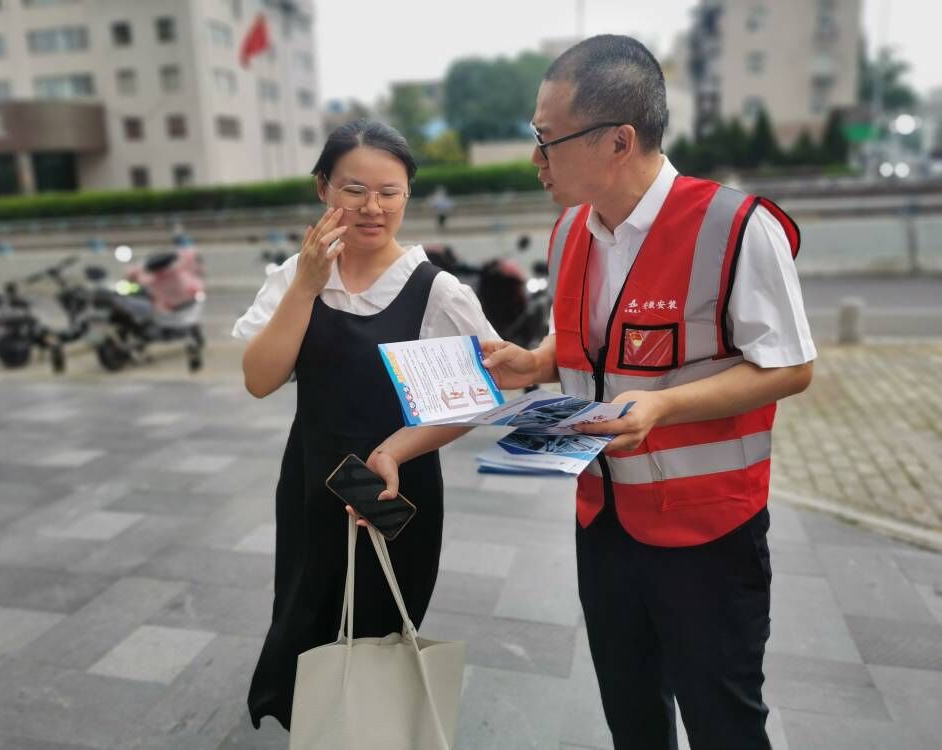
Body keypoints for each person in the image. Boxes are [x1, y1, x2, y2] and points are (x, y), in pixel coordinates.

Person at [365, 36, 815, 750]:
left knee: (724, 719)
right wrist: (533, 362)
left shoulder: (735, 227)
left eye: (547, 139)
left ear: (618, 141)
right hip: (603, 518)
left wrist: (663, 406)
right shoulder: (572, 228)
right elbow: (582, 344)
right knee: (630, 712)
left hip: (707, 530)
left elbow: (789, 366)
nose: (535, 158)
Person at [232, 119, 497, 731]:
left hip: (396, 487)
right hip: (311, 482)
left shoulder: (436, 291)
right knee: (304, 610)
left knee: (383, 625)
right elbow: (259, 379)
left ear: (408, 195)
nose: (372, 208)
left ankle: (374, 731)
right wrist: (305, 286)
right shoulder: (296, 279)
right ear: (323, 188)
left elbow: (472, 399)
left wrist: (396, 451)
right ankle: (315, 729)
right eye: (354, 190)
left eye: (389, 192)